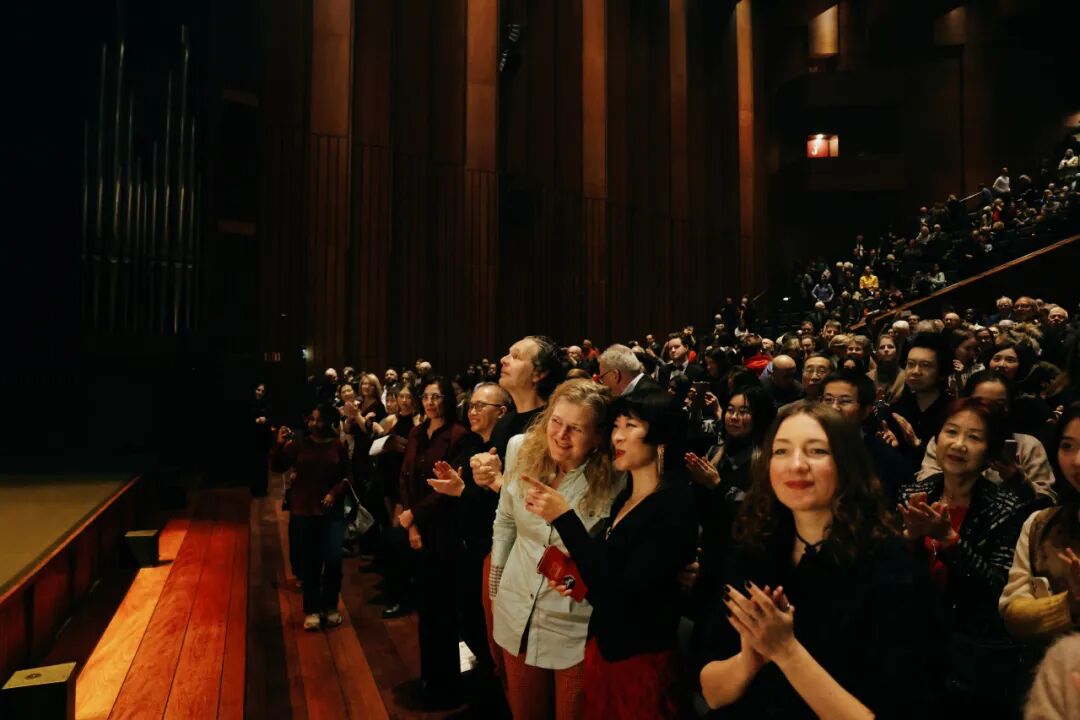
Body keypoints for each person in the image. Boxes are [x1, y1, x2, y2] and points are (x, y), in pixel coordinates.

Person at [699, 401, 939, 718]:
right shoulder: (755, 547)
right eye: (781, 451)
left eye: (817, 451)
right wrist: (749, 660)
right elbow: (712, 694)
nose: (796, 464)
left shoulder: (891, 569)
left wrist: (786, 652)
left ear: (847, 464)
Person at [522, 391, 697, 719]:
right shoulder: (626, 497)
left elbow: (618, 596)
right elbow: (604, 574)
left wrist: (565, 518)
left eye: (631, 425)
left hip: (640, 662)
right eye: (616, 425)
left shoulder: (674, 506)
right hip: (605, 648)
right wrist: (574, 579)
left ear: (662, 436)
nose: (617, 436)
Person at [490, 379, 623, 720]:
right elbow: (505, 521)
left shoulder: (617, 476)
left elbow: (614, 557)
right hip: (516, 610)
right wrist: (496, 585)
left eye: (576, 429)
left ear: (598, 436)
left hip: (573, 625)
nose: (561, 435)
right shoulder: (519, 448)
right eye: (556, 422)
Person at [898, 398, 1033, 712]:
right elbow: (888, 572)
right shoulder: (912, 493)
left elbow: (996, 589)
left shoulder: (1007, 508)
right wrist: (909, 538)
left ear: (989, 451)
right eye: (951, 432)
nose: (959, 444)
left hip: (970, 655)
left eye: (974, 437)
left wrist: (950, 541)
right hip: (911, 642)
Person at [397, 377, 480, 706]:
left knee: (445, 607)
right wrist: (411, 524)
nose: (430, 403)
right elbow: (405, 477)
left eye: (437, 397)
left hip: (446, 529)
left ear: (447, 399)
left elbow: (448, 490)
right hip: (419, 528)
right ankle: (429, 677)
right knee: (426, 606)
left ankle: (448, 683)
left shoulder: (459, 436)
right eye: (427, 397)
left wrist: (413, 514)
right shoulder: (417, 432)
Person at [999, 403, 1080, 642]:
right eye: (1067, 446)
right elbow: (1012, 613)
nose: (1077, 461)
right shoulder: (1041, 524)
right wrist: (1068, 604)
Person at [270, 404, 352, 631]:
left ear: (329, 422)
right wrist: (278, 444)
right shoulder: (300, 444)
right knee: (310, 562)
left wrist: (334, 493)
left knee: (333, 559)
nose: (314, 423)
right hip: (305, 509)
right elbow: (277, 466)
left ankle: (331, 606)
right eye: (312, 419)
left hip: (331, 510)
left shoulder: (337, 446)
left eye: (319, 419)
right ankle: (312, 609)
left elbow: (347, 475)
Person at [918, 370, 1056, 501]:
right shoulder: (946, 439)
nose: (989, 410)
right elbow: (924, 482)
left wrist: (1018, 480)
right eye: (980, 403)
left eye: (998, 404)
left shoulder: (1028, 445)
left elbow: (1047, 500)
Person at [868, 333, 906, 403]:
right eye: (882, 347)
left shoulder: (906, 378)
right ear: (877, 353)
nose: (886, 350)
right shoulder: (868, 378)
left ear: (897, 352)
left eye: (890, 347)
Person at [250, 383, 273, 496]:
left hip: (263, 439)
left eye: (262, 391)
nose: (260, 393)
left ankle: (263, 489)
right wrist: (256, 421)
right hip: (253, 438)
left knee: (263, 464)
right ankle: (254, 488)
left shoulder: (267, 404)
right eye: (258, 390)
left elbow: (271, 418)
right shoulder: (250, 403)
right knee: (254, 464)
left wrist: (266, 420)